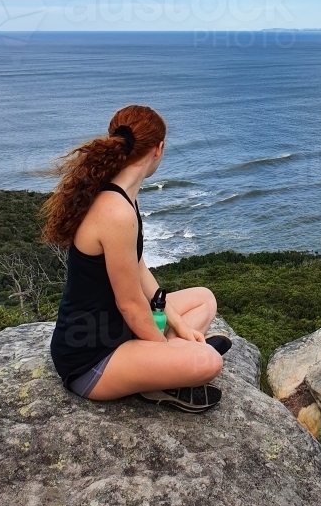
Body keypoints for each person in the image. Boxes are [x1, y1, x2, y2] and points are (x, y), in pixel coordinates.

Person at [45, 105, 230, 412]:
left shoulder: (121, 194)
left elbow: (138, 264)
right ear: (158, 149)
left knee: (204, 299)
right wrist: (166, 356)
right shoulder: (115, 211)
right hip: (91, 359)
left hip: (120, 331)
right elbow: (130, 304)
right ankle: (161, 380)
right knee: (208, 361)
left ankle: (168, 358)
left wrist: (176, 322)